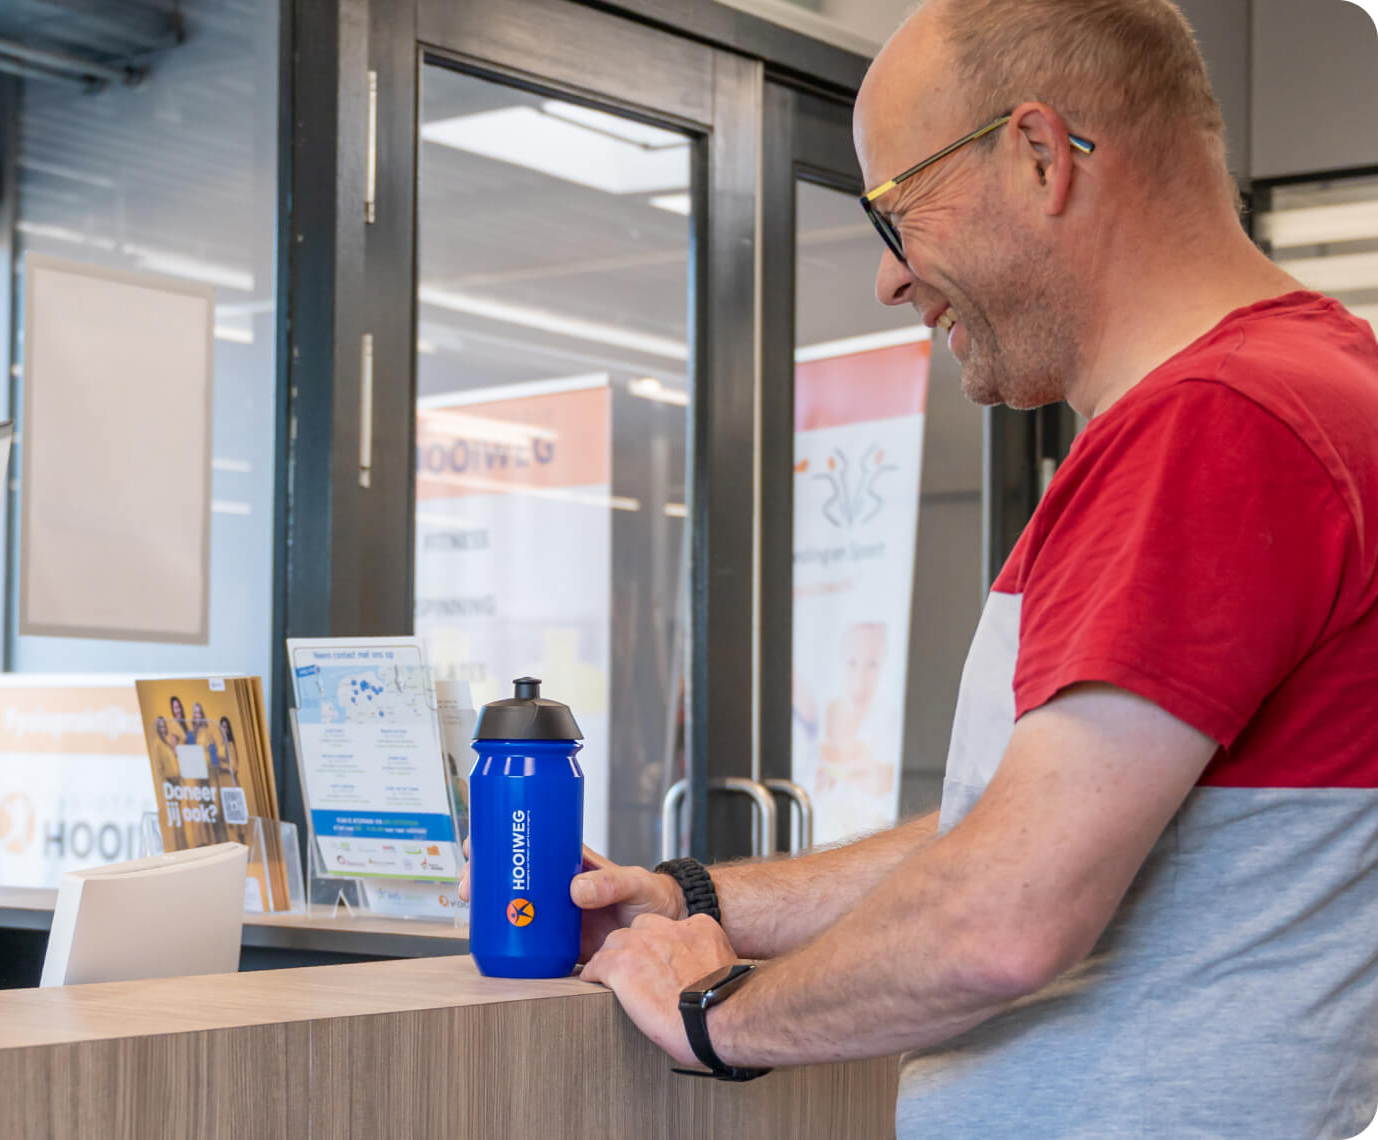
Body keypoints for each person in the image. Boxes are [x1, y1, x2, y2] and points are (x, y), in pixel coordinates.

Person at [516, 1, 1378, 1135]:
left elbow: (999, 917)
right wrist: (694, 899)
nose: (889, 279)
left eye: (894, 213)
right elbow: (1015, 838)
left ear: (1035, 156)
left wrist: (713, 1011)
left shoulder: (1219, 423)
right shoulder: (1291, 394)